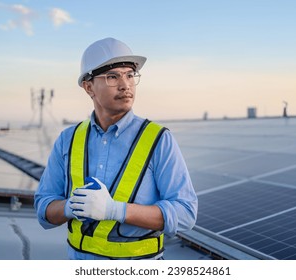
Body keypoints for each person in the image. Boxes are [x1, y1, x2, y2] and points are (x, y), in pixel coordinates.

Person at [34, 37, 198, 260]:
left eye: (130, 75)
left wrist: (116, 210)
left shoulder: (159, 139)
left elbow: (186, 214)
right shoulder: (68, 140)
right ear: (89, 86)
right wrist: (69, 207)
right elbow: (44, 208)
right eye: (113, 76)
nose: (125, 85)